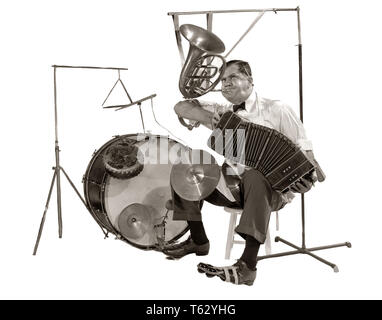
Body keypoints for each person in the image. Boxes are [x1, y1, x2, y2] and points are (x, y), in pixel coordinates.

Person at [164, 60, 316, 286]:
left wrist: (308, 180)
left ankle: (247, 266)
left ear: (250, 81)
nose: (225, 84)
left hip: (271, 191)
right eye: (223, 80)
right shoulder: (222, 112)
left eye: (232, 78)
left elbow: (306, 154)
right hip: (231, 186)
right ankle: (198, 240)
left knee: (255, 175)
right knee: (190, 162)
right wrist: (207, 118)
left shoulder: (277, 109)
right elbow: (180, 106)